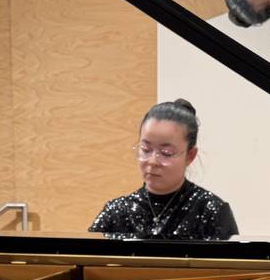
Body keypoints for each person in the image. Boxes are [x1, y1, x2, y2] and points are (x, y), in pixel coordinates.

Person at [89, 99, 238, 239]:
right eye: (145, 149)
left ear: (190, 155)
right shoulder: (116, 212)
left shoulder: (213, 212)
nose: (152, 161)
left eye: (166, 153)